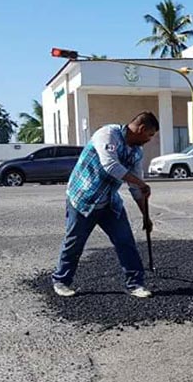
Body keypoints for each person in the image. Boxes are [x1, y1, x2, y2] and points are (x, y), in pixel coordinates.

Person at [51, 111, 159, 298]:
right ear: (141, 129)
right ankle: (61, 281)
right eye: (149, 135)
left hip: (109, 201)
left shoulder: (136, 152)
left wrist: (145, 216)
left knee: (125, 241)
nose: (149, 140)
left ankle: (135, 284)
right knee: (74, 242)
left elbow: (135, 187)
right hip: (83, 198)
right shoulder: (107, 135)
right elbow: (111, 166)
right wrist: (141, 183)